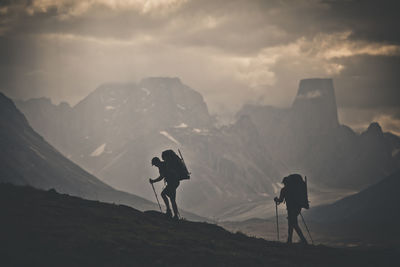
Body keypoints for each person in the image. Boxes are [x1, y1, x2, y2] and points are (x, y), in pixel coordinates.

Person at [274, 175, 308, 244]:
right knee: (291, 224)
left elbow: (280, 200)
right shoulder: (294, 189)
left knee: (293, 224)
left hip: (290, 209)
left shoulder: (284, 190)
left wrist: (276, 200)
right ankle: (290, 240)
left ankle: (303, 240)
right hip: (297, 208)